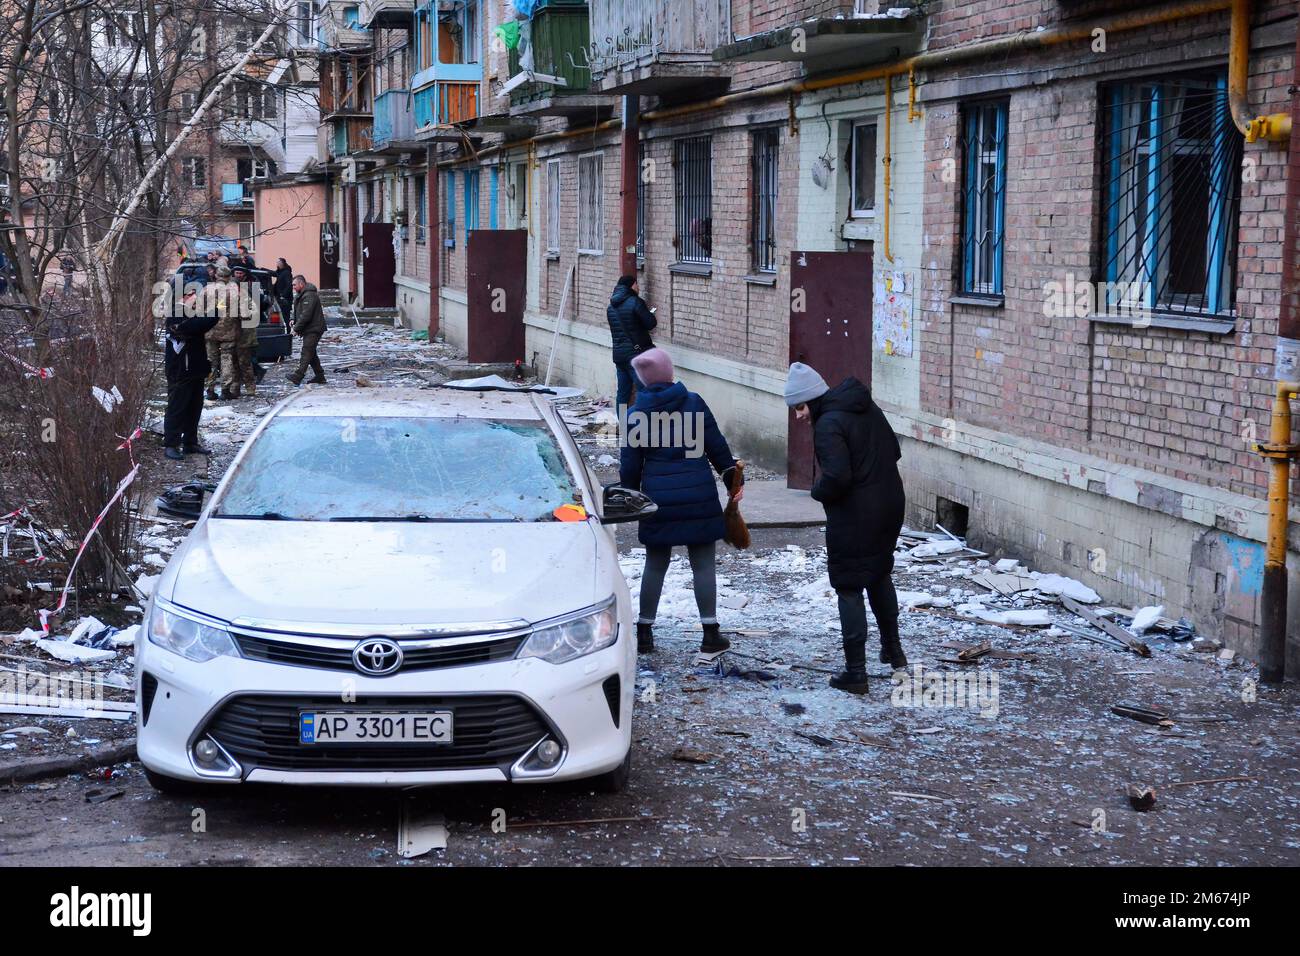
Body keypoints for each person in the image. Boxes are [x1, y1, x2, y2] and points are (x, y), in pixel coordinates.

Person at [785, 362, 907, 694]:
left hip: (856, 514)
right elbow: (894, 451)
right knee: (878, 573)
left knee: (849, 584)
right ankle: (894, 651)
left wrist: (817, 491)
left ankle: (856, 673)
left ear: (811, 399)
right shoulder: (865, 406)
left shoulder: (828, 424)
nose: (798, 416)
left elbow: (838, 477)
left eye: (799, 407)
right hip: (891, 503)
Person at [619, 348, 743, 655]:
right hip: (698, 496)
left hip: (658, 500)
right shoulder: (694, 403)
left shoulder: (635, 416)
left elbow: (630, 466)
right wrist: (732, 482)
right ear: (669, 373)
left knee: (655, 564)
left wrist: (631, 495)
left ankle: (645, 632)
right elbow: (718, 448)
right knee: (703, 565)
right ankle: (711, 633)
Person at [162, 291, 220, 460]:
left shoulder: (191, 313)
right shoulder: (175, 315)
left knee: (194, 408)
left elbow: (203, 323)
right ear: (184, 297)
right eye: (193, 296)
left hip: (195, 370)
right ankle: (171, 444)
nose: (197, 299)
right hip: (180, 371)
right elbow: (197, 326)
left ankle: (190, 442)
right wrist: (219, 308)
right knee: (177, 408)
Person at [605, 275, 656, 412]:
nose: (638, 287)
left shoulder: (611, 307)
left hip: (619, 356)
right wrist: (650, 314)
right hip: (635, 356)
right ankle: (642, 425)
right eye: (637, 284)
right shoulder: (635, 302)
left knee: (622, 393)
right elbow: (650, 323)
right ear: (632, 285)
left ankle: (623, 425)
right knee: (643, 391)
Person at [203, 266, 251, 399]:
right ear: (229, 276)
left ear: (216, 275)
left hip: (210, 331)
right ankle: (225, 389)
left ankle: (210, 390)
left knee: (211, 360)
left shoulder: (207, 289)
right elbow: (245, 315)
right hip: (229, 332)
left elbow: (198, 309)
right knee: (227, 359)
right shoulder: (236, 291)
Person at [288, 274, 326, 385]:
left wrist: (296, 328)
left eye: (294, 285)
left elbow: (306, 315)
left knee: (306, 351)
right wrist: (292, 319)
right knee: (311, 352)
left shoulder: (310, 295)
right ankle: (320, 376)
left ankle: (298, 376)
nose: (293, 287)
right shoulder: (299, 295)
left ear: (301, 284)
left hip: (314, 328)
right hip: (308, 328)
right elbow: (295, 310)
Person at [229, 265, 260, 397]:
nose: (239, 275)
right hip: (230, 333)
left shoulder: (249, 291)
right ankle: (235, 388)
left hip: (244, 333)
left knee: (244, 362)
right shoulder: (228, 293)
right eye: (237, 273)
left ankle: (250, 388)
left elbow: (253, 310)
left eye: (241, 273)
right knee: (233, 362)